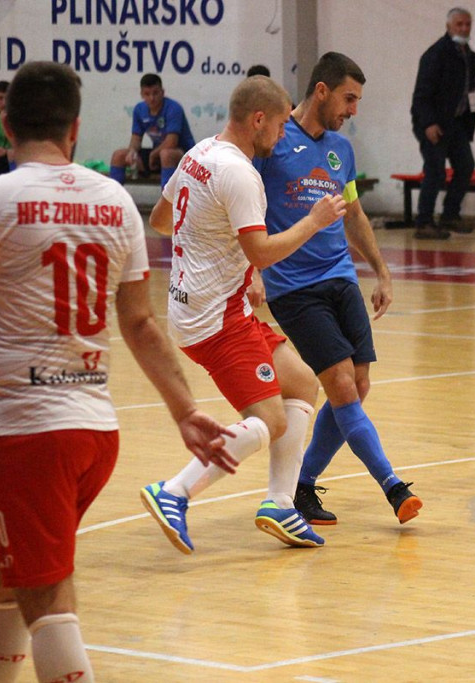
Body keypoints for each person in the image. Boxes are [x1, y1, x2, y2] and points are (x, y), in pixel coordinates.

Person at [0, 61, 236, 683]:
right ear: (74, 129)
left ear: (6, 124)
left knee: (43, 595)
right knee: (3, 574)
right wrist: (185, 410)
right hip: (96, 433)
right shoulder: (116, 200)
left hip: (30, 433)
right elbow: (141, 324)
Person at [139, 75, 347, 554]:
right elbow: (263, 251)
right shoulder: (240, 173)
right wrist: (313, 222)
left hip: (199, 303)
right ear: (258, 120)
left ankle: (280, 504)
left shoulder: (199, 153)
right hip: (215, 319)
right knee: (269, 420)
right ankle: (174, 491)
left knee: (302, 384)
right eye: (279, 125)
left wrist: (222, 255)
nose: (282, 134)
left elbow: (162, 220)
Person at [255, 52, 422, 526]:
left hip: (341, 277)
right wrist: (251, 269)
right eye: (349, 99)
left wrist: (382, 272)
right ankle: (393, 486)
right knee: (342, 383)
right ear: (322, 90)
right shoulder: (272, 142)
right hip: (293, 287)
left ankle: (303, 483)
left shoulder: (340, 150)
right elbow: (243, 208)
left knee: (359, 384)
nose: (353, 110)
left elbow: (355, 213)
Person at [410, 7, 475, 240]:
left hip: (456, 123)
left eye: (467, 24)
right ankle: (424, 222)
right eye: (459, 24)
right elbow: (421, 95)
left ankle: (450, 214)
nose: (464, 28)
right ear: (449, 26)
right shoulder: (436, 54)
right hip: (433, 123)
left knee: (466, 165)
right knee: (435, 171)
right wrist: (428, 123)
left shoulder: (469, 56)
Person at [109, 73, 196, 188]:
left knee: (166, 154)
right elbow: (136, 138)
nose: (152, 98)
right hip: (157, 155)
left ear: (162, 92)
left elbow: (171, 142)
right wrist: (132, 152)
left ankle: (167, 199)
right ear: (141, 94)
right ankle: (113, 196)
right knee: (118, 155)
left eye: (155, 93)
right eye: (147, 94)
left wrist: (153, 154)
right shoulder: (139, 110)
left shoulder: (174, 108)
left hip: (183, 156)